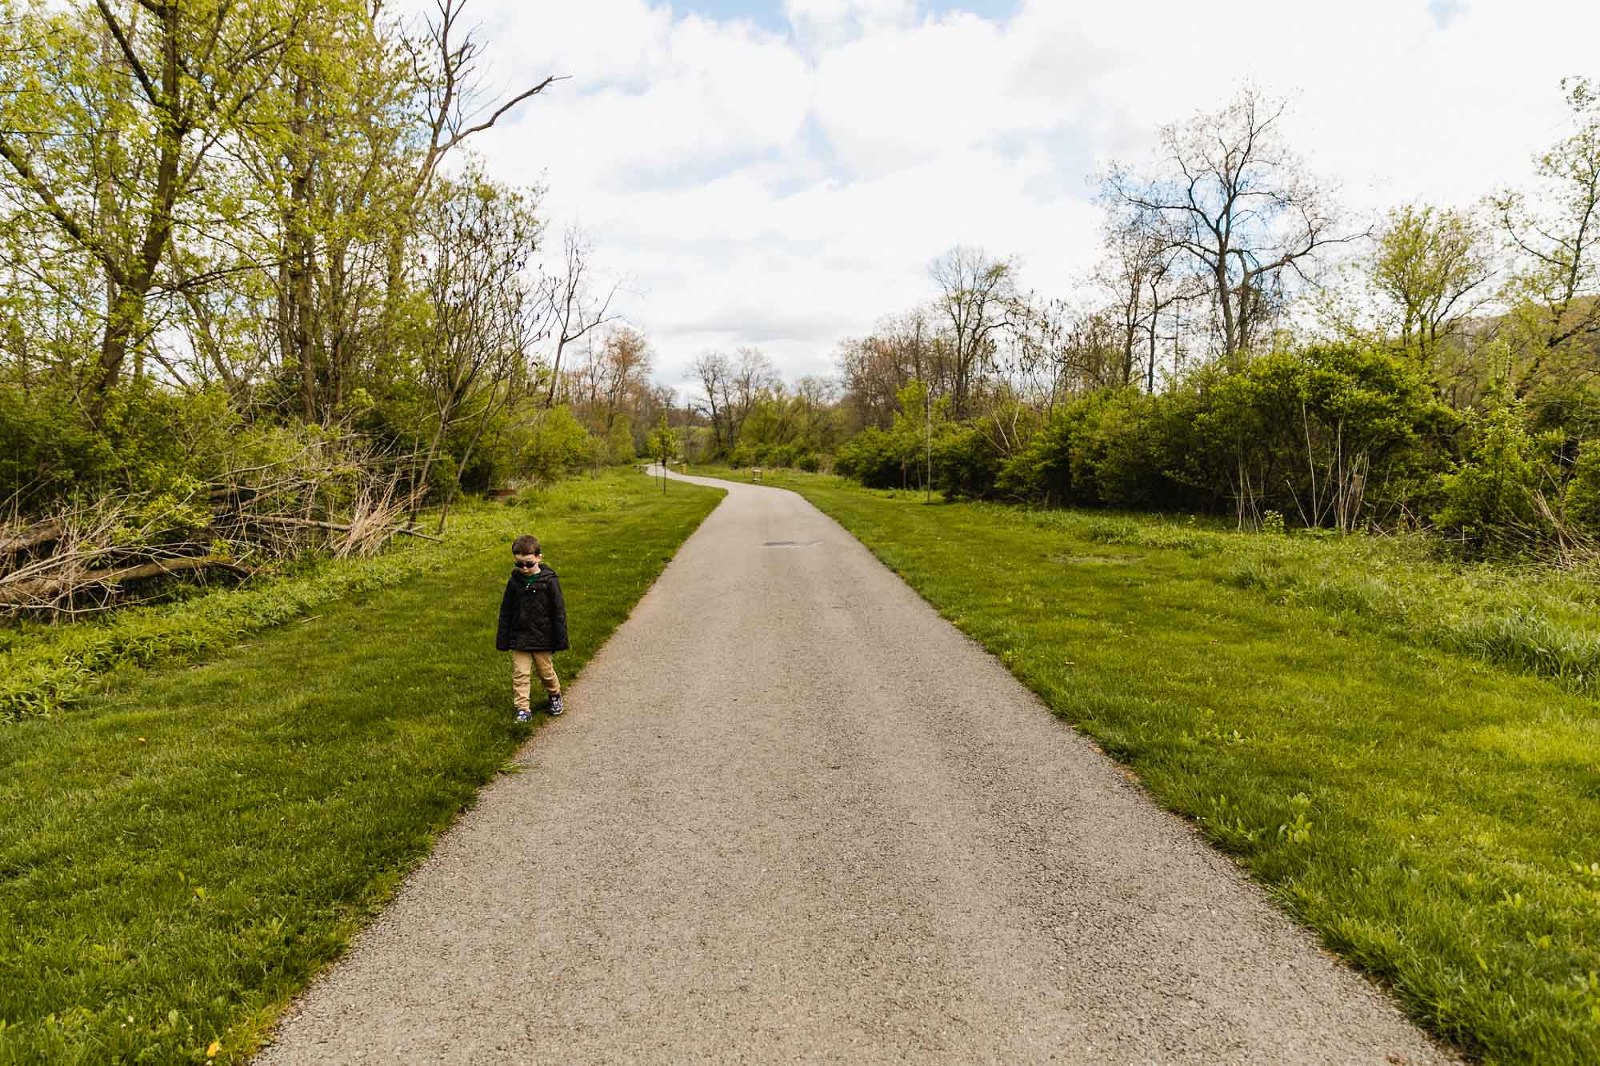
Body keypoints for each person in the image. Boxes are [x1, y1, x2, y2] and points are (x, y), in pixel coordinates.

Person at [495, 534, 568, 722]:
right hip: (519, 636)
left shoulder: (549, 580)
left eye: (528, 563)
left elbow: (558, 611)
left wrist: (559, 638)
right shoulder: (514, 583)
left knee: (546, 672)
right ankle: (523, 708)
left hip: (543, 636)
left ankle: (554, 695)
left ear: (538, 558)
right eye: (519, 564)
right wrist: (503, 639)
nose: (524, 568)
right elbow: (506, 611)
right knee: (520, 673)